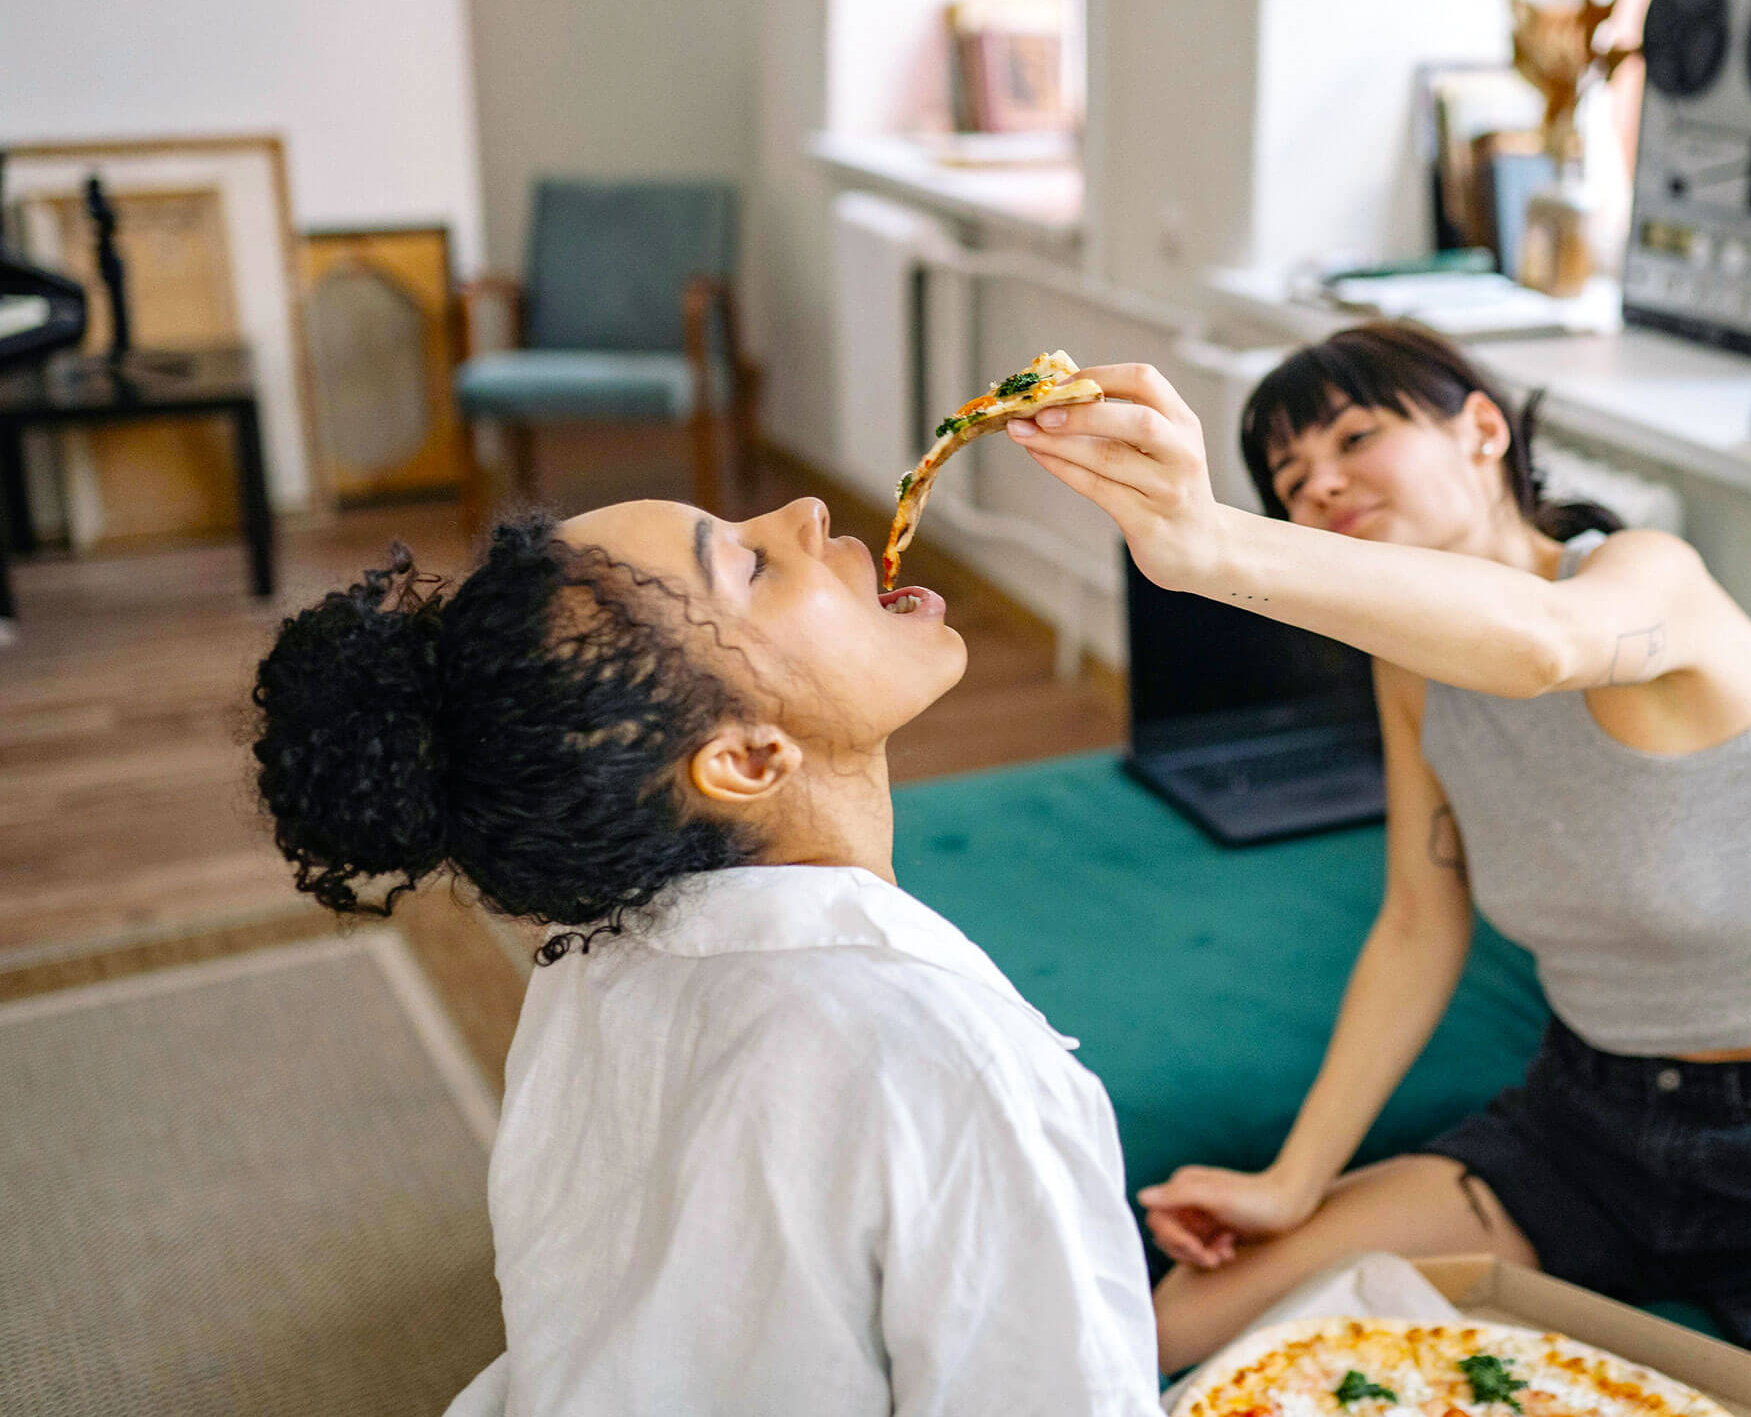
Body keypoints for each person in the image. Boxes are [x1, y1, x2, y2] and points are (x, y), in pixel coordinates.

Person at [1005, 324, 1751, 1417]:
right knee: (1159, 1328)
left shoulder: (1648, 582)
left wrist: (1213, 546)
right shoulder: (1412, 673)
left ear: (1483, 428)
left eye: (1355, 438)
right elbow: (1417, 927)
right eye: (1293, 479)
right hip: (1586, 1121)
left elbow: (1545, 646)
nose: (1325, 484)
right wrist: (1292, 1180)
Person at [250, 498, 1159, 1416]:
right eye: (752, 565)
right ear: (746, 762)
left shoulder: (590, 965)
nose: (805, 510)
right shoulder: (956, 1065)